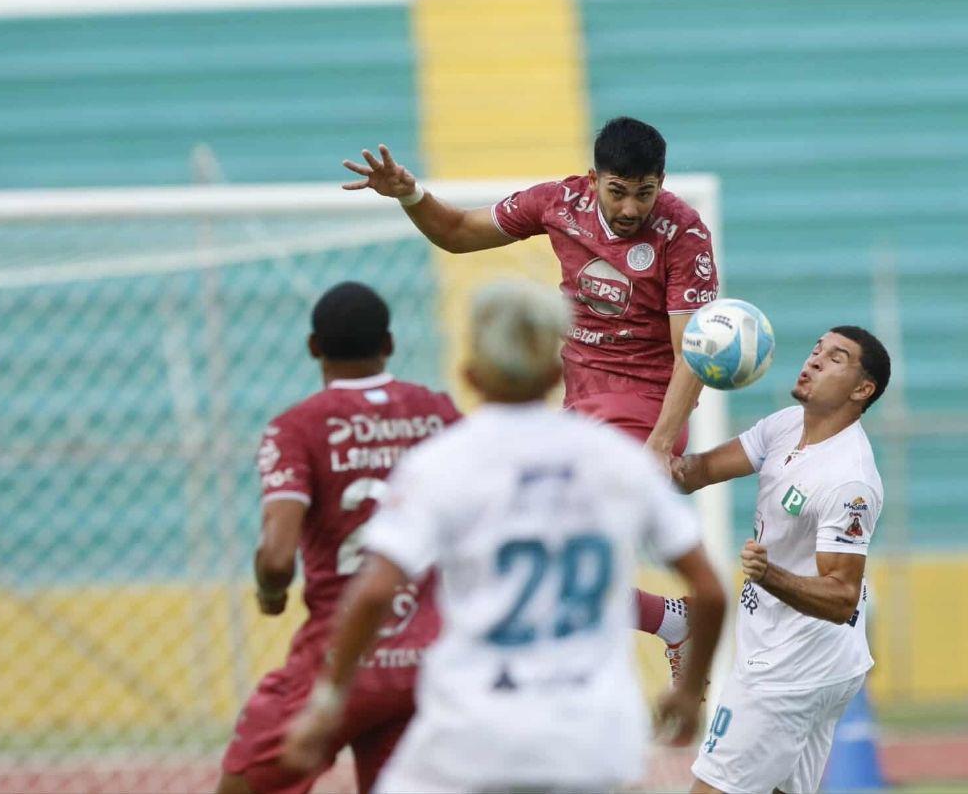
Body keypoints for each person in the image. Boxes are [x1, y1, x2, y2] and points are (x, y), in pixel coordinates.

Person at [281, 280, 727, 794]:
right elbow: (711, 591)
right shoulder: (618, 461)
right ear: (557, 370)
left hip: (477, 727)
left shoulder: (440, 463)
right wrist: (688, 691)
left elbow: (376, 591)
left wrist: (327, 703)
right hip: (594, 733)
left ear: (470, 372)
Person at [341, 116, 720, 666]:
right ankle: (667, 622)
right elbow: (457, 233)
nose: (632, 208)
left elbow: (693, 350)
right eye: (618, 192)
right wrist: (411, 194)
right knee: (542, 546)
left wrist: (660, 445)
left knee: (556, 539)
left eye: (645, 192)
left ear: (661, 182)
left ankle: (615, 649)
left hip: (646, 404)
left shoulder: (683, 233)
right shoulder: (559, 203)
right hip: (578, 400)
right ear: (594, 180)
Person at [217, 282, 462, 794]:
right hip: (429, 657)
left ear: (313, 347)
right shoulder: (439, 413)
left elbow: (279, 558)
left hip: (340, 657)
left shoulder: (296, 428)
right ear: (389, 344)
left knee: (244, 784)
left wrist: (270, 592)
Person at [669, 326, 891, 794]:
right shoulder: (787, 425)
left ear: (861, 389)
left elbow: (841, 599)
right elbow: (699, 471)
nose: (813, 360)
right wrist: (655, 445)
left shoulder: (848, 480)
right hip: (810, 661)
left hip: (790, 671)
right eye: (815, 350)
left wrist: (769, 574)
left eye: (835, 358)